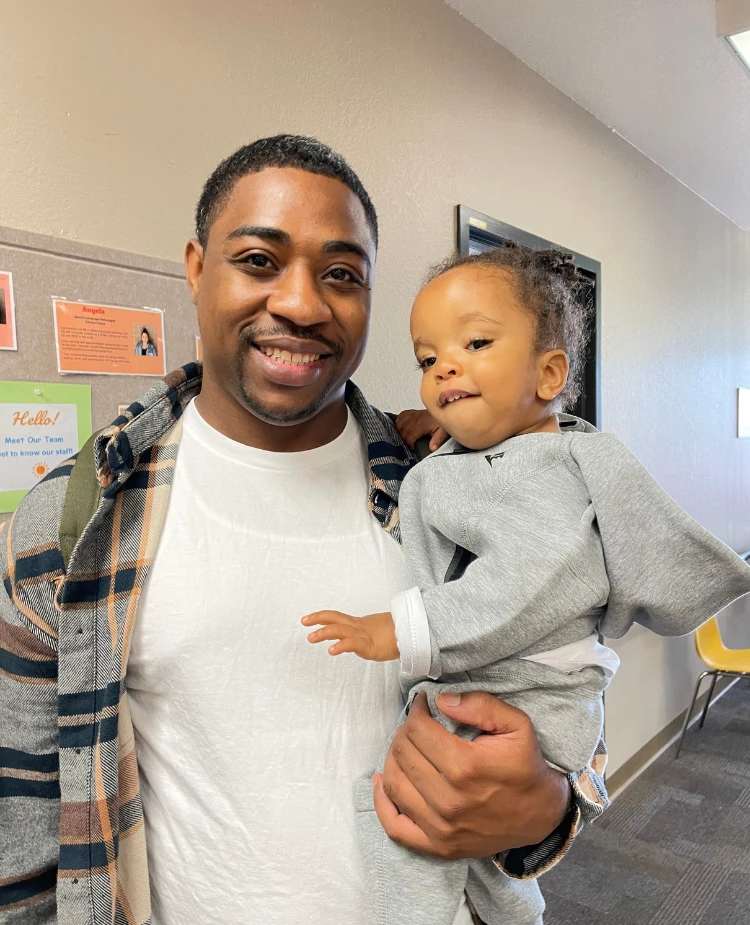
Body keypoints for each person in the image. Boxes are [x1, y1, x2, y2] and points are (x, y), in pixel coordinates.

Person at [1, 136, 608, 925]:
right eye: (259, 260)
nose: (300, 303)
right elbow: (26, 826)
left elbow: (570, 693)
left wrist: (549, 806)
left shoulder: (455, 494)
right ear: (196, 267)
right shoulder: (74, 523)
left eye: (342, 274)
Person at [302, 243, 750, 925]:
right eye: (428, 359)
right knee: (472, 859)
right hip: (507, 697)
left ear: (548, 374)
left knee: (399, 822)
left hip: (526, 695)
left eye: (476, 342)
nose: (444, 365)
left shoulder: (550, 468)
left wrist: (399, 628)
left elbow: (525, 581)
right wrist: (436, 432)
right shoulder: (475, 457)